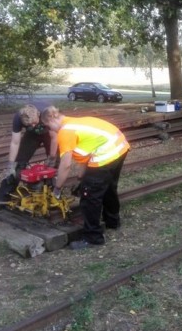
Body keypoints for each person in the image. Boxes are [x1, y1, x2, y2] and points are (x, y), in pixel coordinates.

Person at [41, 105, 130, 250]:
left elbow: (65, 165)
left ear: (51, 119)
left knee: (89, 197)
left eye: (48, 126)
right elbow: (87, 154)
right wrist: (81, 178)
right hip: (119, 148)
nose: (50, 130)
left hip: (106, 154)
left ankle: (93, 237)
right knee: (108, 188)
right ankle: (113, 222)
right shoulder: (75, 122)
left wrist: (57, 188)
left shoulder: (65, 132)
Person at [0, 103, 58, 202]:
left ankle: (51, 193)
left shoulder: (47, 114)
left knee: (54, 163)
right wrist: (11, 165)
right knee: (19, 163)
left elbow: (54, 138)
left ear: (38, 115)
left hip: (49, 133)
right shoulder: (18, 118)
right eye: (29, 125)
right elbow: (15, 142)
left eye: (34, 123)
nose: (33, 126)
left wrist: (52, 157)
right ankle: (3, 196)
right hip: (32, 135)